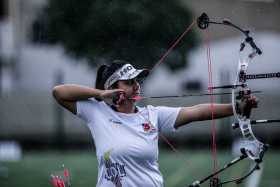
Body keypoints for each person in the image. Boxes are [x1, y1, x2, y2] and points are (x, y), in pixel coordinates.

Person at [52, 60, 255, 187]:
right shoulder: (97, 112)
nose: (137, 85)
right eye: (130, 82)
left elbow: (196, 112)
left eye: (137, 81)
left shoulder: (153, 115)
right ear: (114, 88)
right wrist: (100, 94)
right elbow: (59, 92)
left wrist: (236, 107)